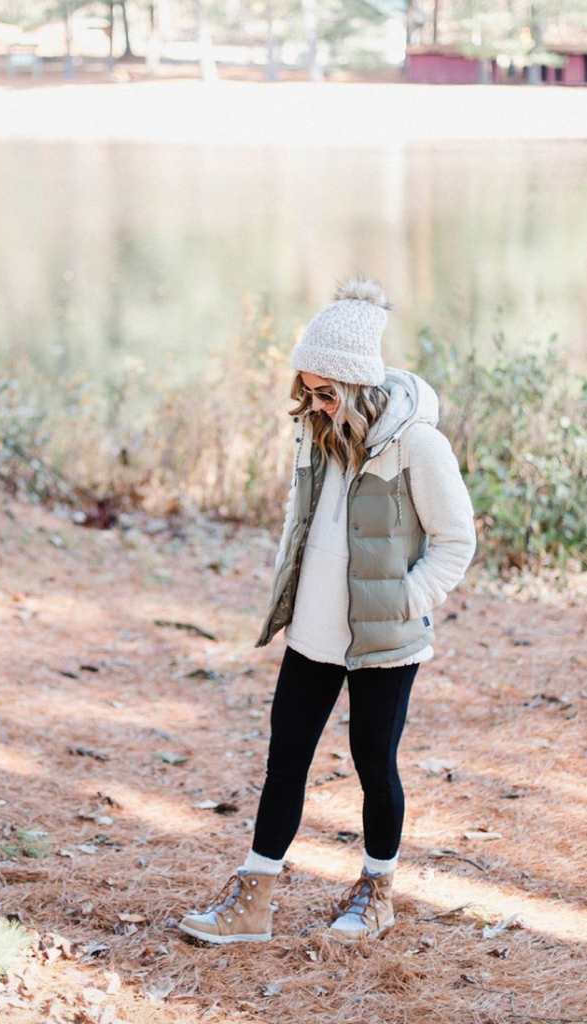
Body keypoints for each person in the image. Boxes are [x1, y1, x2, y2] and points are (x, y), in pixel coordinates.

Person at [178, 275, 477, 945]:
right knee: (285, 758)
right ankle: (252, 899)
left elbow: (457, 541)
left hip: (385, 639)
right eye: (306, 391)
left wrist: (405, 598)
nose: (312, 404)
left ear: (359, 385)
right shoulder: (314, 439)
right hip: (312, 634)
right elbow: (300, 523)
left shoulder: (417, 446)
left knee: (375, 760)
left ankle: (375, 892)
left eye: (325, 393)